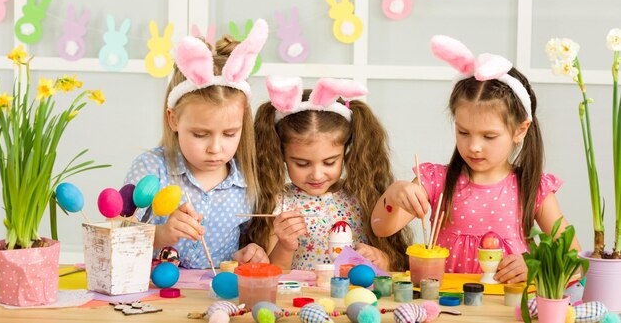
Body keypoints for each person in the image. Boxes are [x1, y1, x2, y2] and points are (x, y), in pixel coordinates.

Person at [371, 35, 581, 284]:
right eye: (463, 132)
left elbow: (575, 261)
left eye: (489, 136)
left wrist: (536, 267)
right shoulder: (435, 180)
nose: (474, 147)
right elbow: (381, 227)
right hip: (446, 306)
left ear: (520, 130)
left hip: (505, 311)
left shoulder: (532, 187)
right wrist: (393, 195)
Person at [124, 19, 270, 269]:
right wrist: (162, 234)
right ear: (174, 119)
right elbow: (117, 234)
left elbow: (240, 245)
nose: (215, 147)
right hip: (153, 296)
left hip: (212, 297)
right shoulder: (152, 169)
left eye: (229, 133)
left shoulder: (246, 181)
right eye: (201, 135)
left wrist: (247, 253)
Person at [245, 76, 413, 271]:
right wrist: (285, 245)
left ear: (346, 152)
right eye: (302, 163)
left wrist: (380, 259)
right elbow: (272, 272)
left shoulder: (362, 197)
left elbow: (394, 265)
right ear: (281, 154)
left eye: (329, 162)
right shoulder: (278, 203)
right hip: (301, 299)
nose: (317, 175)